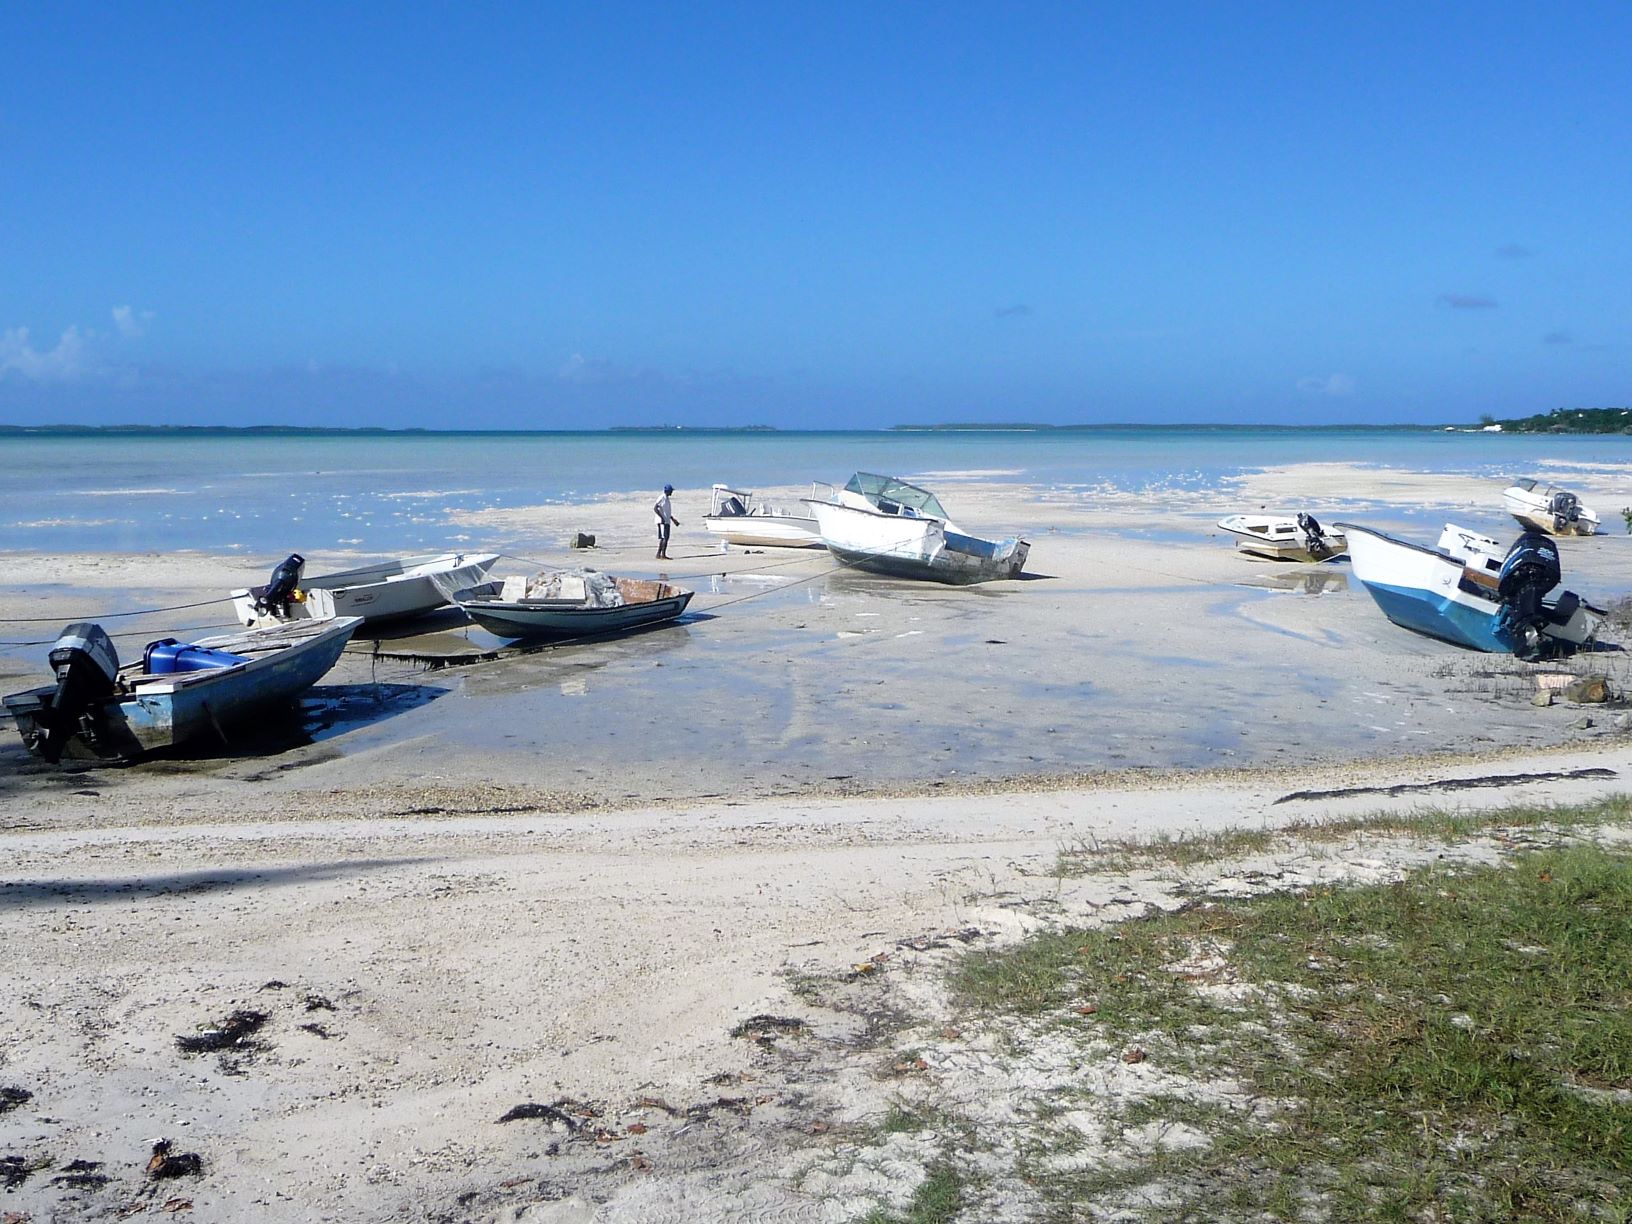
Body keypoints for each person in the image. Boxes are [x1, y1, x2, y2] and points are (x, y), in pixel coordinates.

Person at [653, 483, 680, 559]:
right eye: (671, 491)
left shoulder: (667, 499)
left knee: (664, 537)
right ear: (667, 491)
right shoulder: (662, 497)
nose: (672, 492)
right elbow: (655, 508)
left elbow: (666, 512)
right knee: (664, 537)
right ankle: (662, 555)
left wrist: (673, 519)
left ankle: (659, 554)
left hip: (666, 521)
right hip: (662, 521)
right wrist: (661, 518)